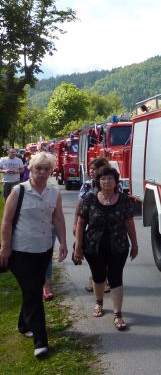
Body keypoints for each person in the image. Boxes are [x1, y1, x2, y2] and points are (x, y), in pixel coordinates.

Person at [0, 152, 67, 358]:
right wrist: (5, 246)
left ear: (51, 171)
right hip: (20, 251)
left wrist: (63, 242)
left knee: (33, 290)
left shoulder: (54, 193)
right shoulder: (18, 191)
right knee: (33, 292)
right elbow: (7, 221)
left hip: (44, 249)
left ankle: (23, 324)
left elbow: (58, 219)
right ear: (30, 168)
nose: (42, 172)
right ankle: (41, 342)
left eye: (46, 168)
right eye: (38, 168)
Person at [73, 166, 138, 331]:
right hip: (93, 247)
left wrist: (135, 244)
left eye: (110, 178)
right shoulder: (89, 198)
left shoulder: (123, 200)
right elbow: (81, 223)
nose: (106, 181)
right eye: (103, 179)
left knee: (116, 277)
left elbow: (129, 223)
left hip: (119, 246)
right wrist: (78, 246)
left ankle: (118, 314)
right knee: (98, 276)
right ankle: (99, 303)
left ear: (116, 181)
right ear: (98, 182)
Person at [75, 157, 111, 293]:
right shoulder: (86, 185)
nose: (91, 171)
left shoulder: (112, 183)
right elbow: (79, 205)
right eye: (90, 169)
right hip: (89, 226)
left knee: (106, 254)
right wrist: (75, 224)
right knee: (93, 254)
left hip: (107, 227)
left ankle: (104, 280)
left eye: (94, 169)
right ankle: (95, 278)